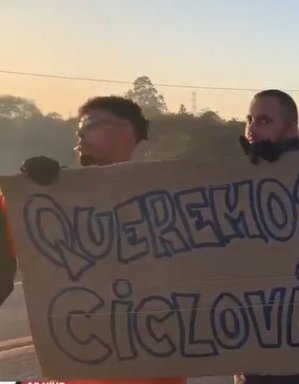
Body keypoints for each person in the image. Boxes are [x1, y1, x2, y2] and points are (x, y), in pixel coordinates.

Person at [2, 96, 185, 384]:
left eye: (92, 124)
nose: (81, 133)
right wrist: (24, 195)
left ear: (132, 134)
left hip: (154, 373)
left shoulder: (169, 198)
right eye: (79, 127)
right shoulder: (48, 199)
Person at [234, 89, 299, 384]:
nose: (251, 129)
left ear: (290, 127)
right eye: (249, 120)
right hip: (247, 325)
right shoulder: (243, 175)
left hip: (289, 326)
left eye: (263, 120)